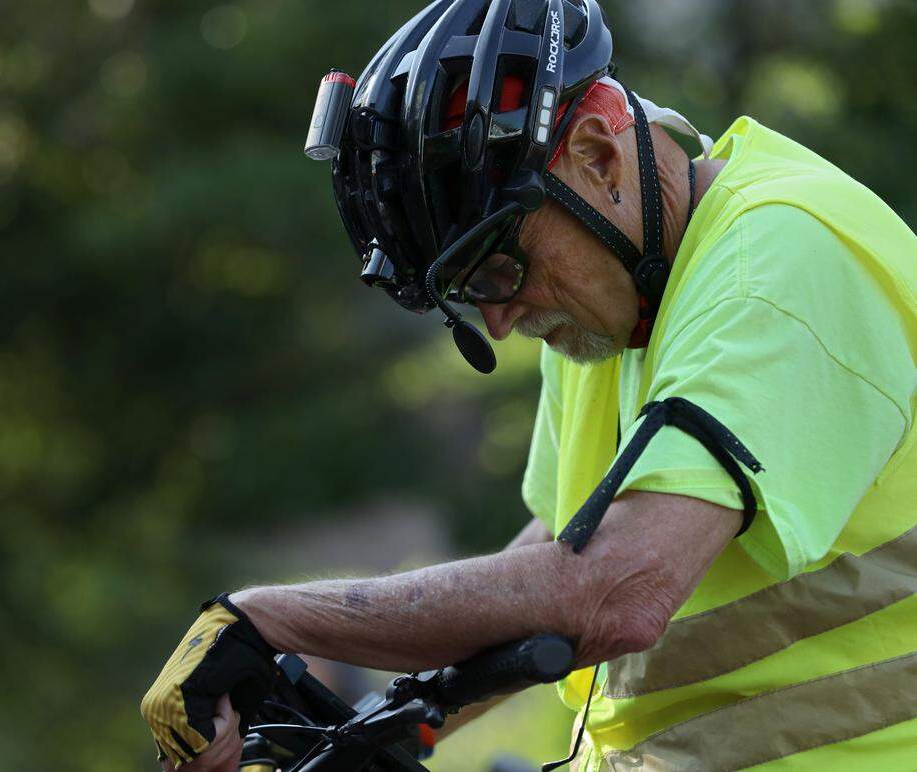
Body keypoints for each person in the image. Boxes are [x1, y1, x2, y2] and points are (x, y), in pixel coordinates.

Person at [141, 1, 917, 769]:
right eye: (471, 292)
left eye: (501, 269)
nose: (503, 321)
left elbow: (614, 588)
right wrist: (371, 727)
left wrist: (274, 619)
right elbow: (552, 556)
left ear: (600, 157)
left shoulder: (776, 266)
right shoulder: (616, 301)